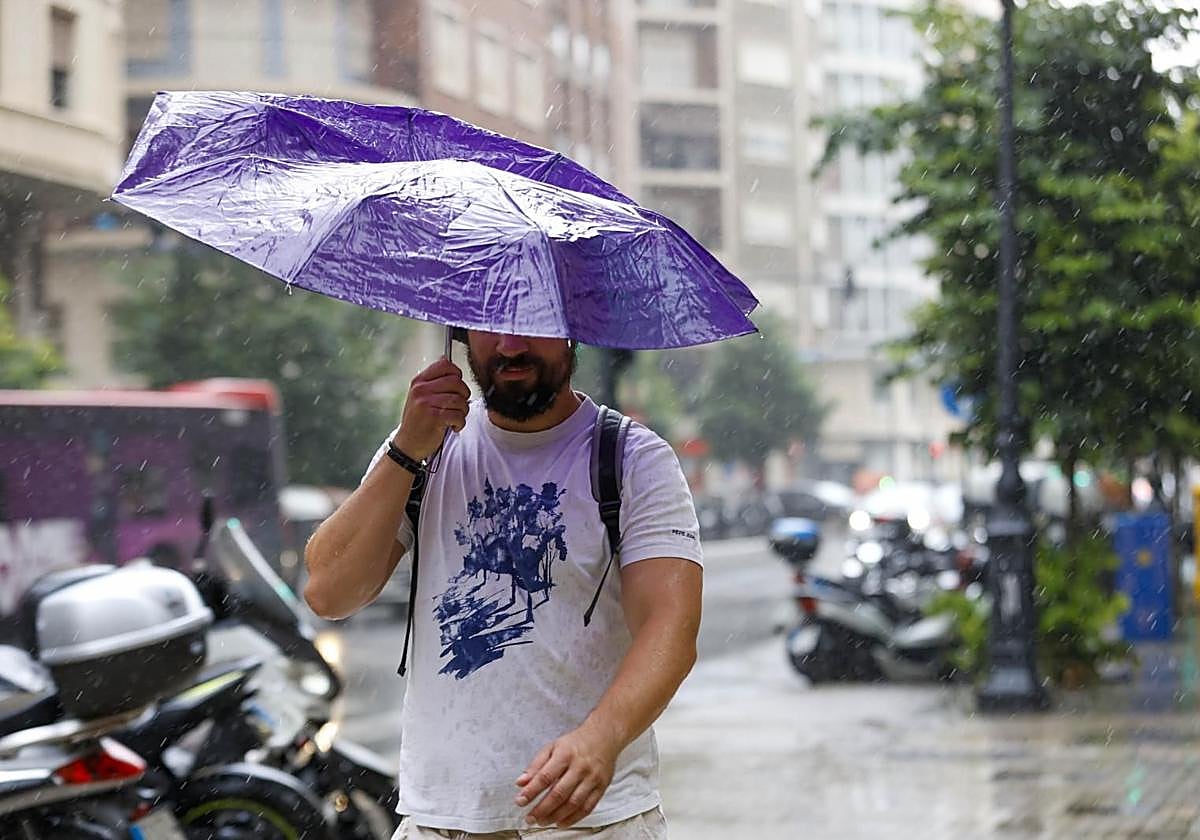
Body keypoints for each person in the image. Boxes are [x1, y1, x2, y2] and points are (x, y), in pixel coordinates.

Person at [304, 330, 704, 839]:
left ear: (571, 332)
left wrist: (599, 740)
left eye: (532, 322)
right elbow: (328, 591)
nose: (510, 346)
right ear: (461, 333)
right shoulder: (425, 446)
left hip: (589, 823)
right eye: (490, 323)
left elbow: (670, 628)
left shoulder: (632, 459)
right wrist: (406, 448)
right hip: (439, 820)